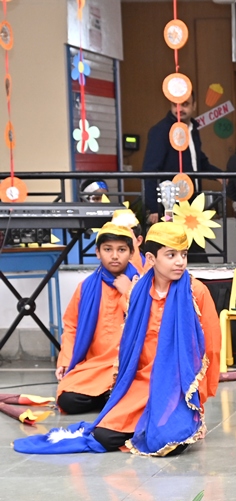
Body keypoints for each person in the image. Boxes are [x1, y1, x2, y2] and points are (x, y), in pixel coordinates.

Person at [14, 221, 221, 456]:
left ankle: (167, 421)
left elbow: (211, 348)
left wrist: (198, 400)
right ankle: (139, 418)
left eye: (183, 254)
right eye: (171, 255)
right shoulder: (139, 290)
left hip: (175, 385)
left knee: (167, 443)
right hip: (139, 381)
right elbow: (82, 329)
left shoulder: (196, 292)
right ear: (151, 259)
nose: (180, 262)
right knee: (102, 436)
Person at [54, 210, 139, 415]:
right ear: (98, 252)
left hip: (129, 364)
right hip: (94, 365)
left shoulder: (141, 284)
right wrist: (65, 360)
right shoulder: (86, 287)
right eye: (108, 249)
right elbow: (72, 326)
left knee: (136, 386)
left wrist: (129, 292)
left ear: (131, 253)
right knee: (67, 400)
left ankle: (113, 397)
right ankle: (111, 398)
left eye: (121, 249)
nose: (115, 256)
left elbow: (151, 323)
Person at [142, 90, 221, 263]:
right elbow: (150, 170)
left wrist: (219, 176)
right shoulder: (161, 131)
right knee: (176, 251)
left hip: (191, 203)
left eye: (185, 104)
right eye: (175, 104)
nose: (180, 109)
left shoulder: (193, 129)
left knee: (191, 250)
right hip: (170, 203)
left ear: (194, 105)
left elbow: (198, 160)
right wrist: (154, 207)